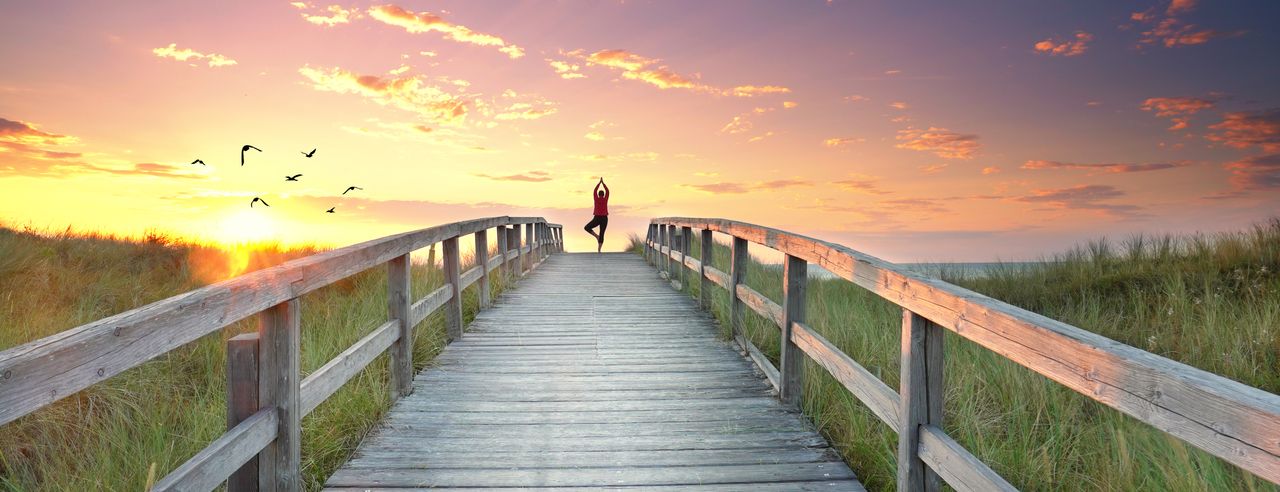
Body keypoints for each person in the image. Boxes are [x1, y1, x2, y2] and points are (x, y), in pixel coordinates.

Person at [584, 177, 609, 253]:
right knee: (602, 233)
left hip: (597, 218)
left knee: (587, 227)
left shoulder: (596, 198)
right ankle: (599, 250)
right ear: (604, 194)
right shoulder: (605, 199)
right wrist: (603, 184)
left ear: (598, 194)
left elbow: (595, 190)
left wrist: (599, 183)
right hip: (604, 218)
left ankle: (596, 236)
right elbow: (607, 191)